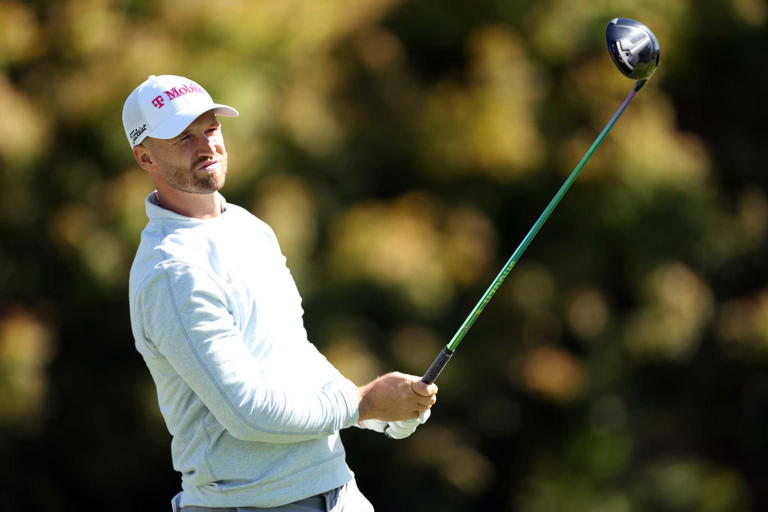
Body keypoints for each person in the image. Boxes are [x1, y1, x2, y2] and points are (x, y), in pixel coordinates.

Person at [124, 74, 438, 512]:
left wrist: (383, 416)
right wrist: (363, 403)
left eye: (210, 128)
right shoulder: (171, 271)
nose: (206, 145)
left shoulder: (250, 229)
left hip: (338, 490)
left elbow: (293, 354)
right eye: (182, 137)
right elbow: (249, 412)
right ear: (145, 157)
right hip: (250, 504)